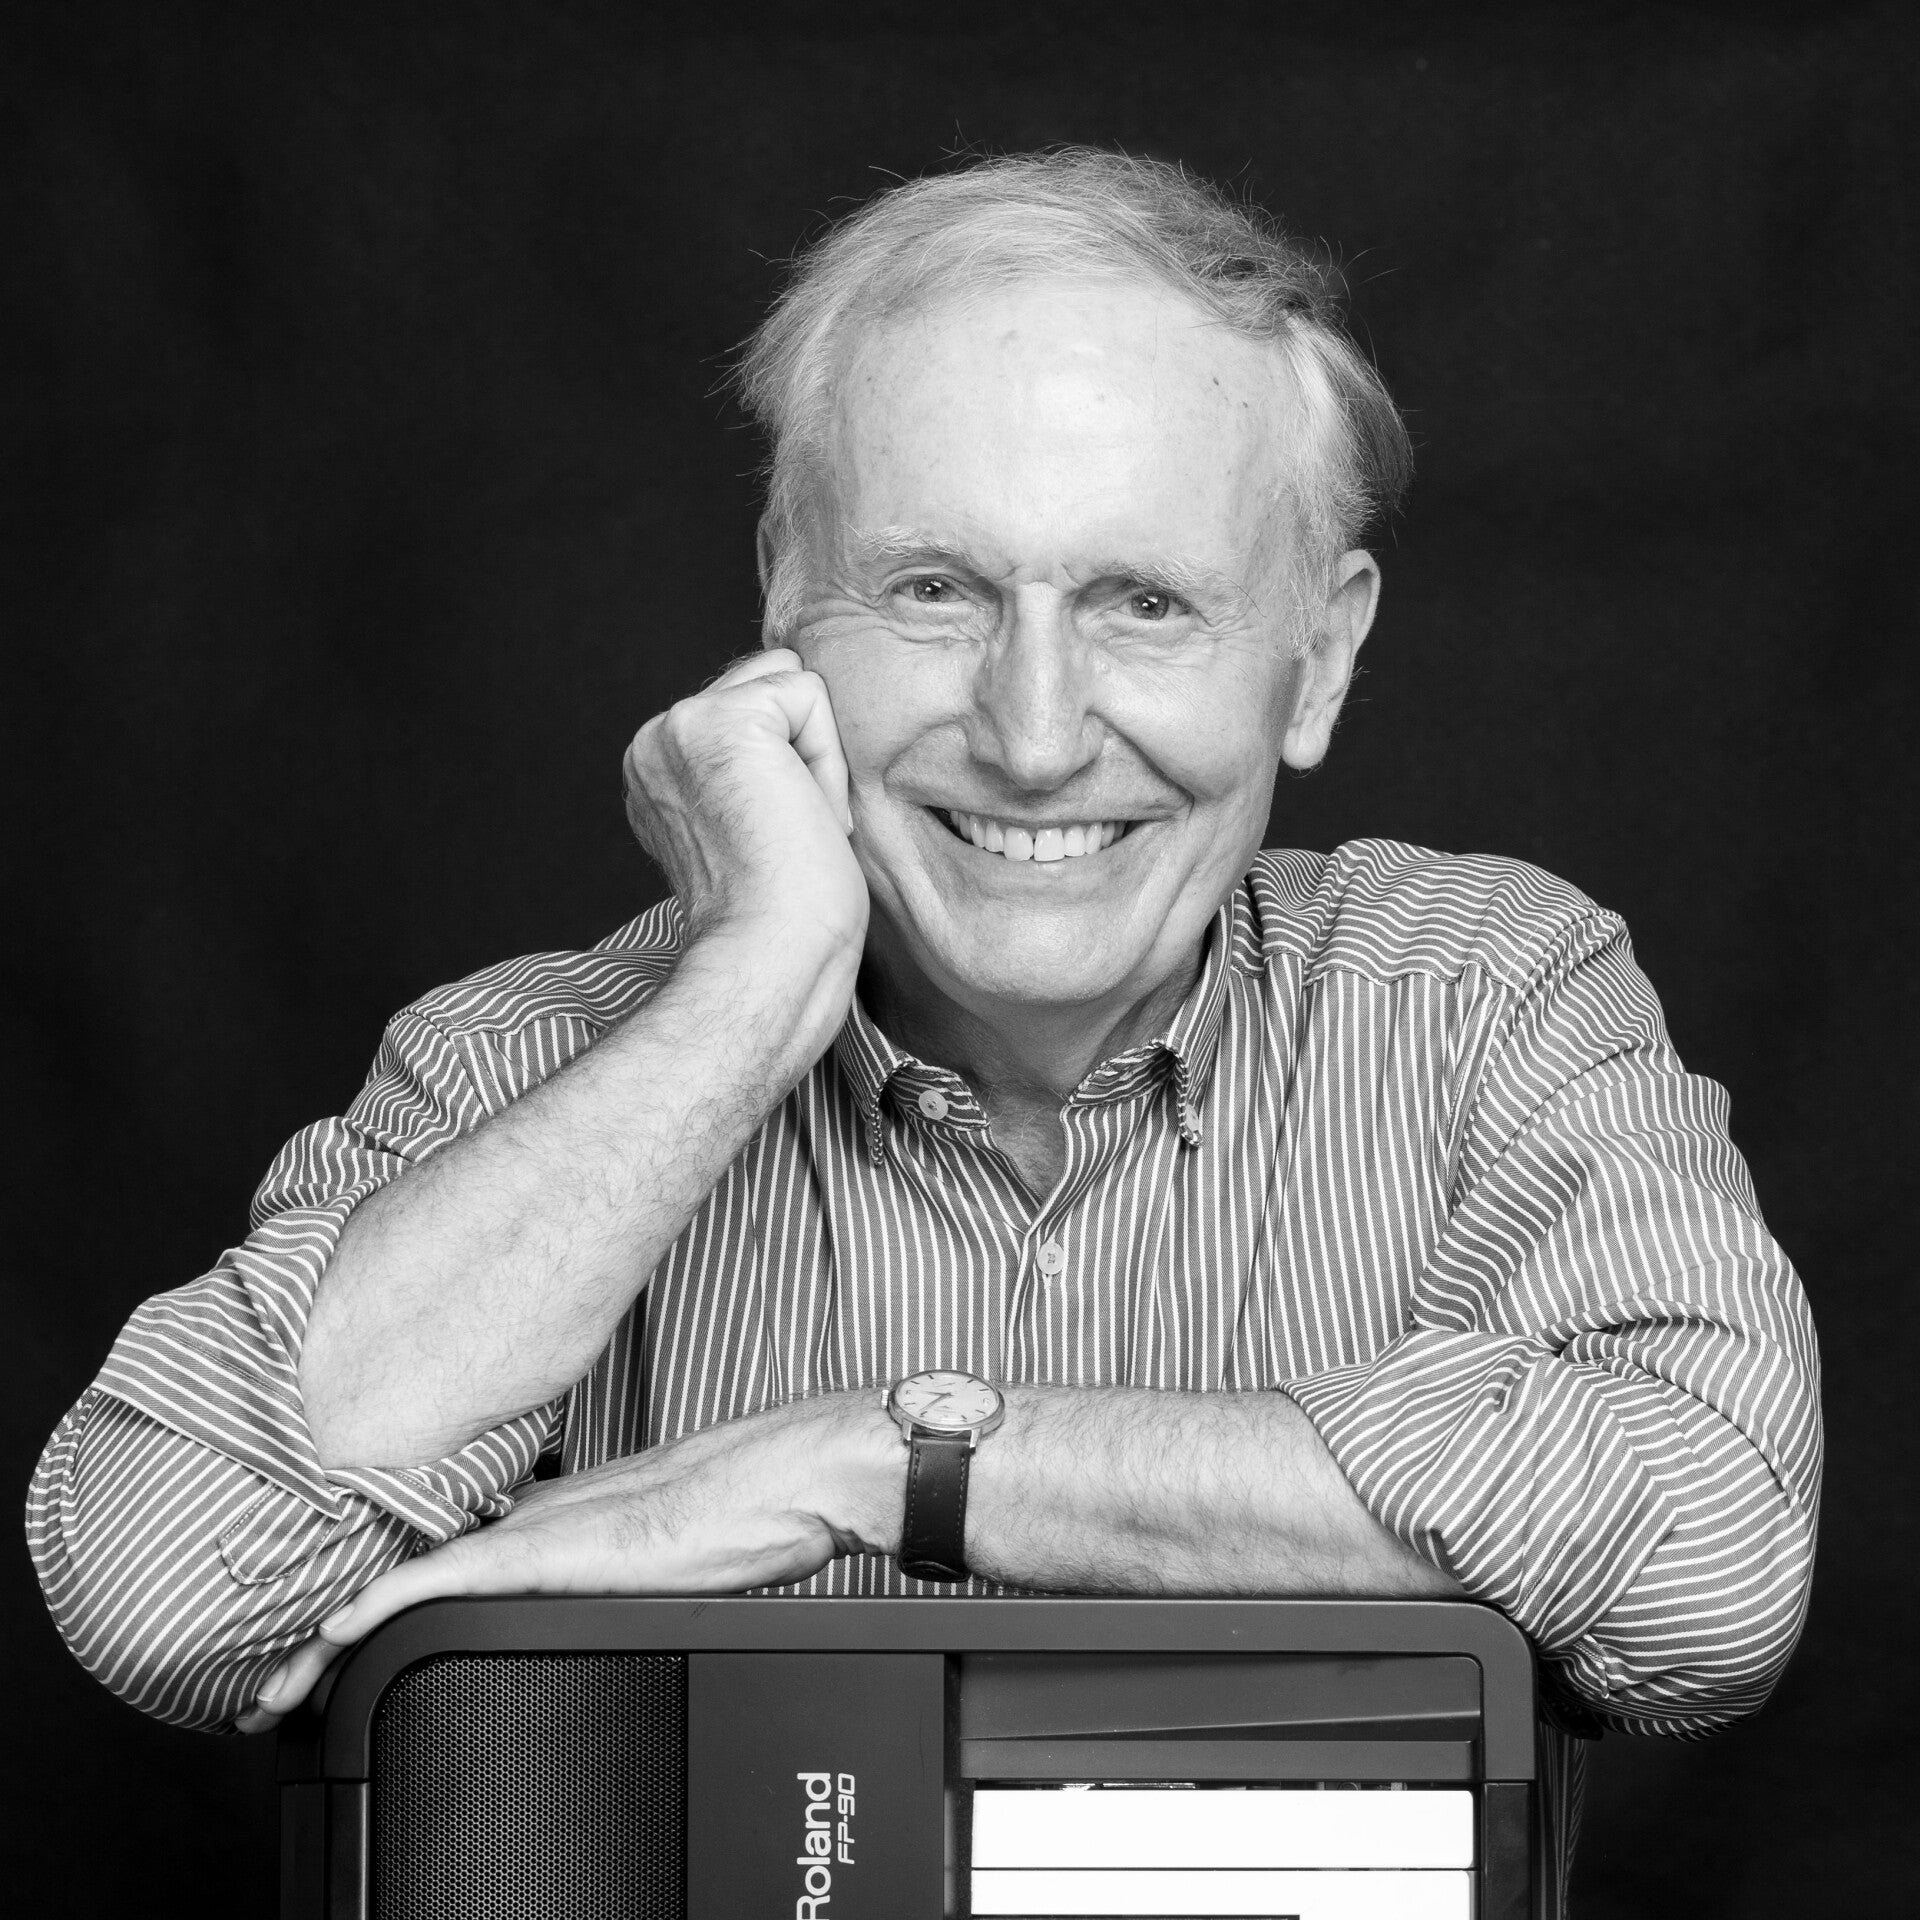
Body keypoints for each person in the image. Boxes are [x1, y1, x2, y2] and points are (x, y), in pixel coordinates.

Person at [28, 148, 1819, 1901]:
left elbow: (1712, 1560)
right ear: (782, 600)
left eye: (1145, 604)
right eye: (935, 591)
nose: (1034, 733)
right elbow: (169, 1586)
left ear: (1322, 659)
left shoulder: (1485, 1000)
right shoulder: (527, 1065)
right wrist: (749, 988)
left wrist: (878, 1464)